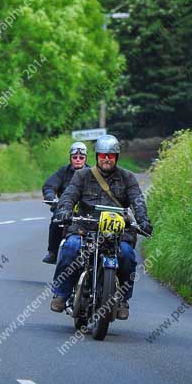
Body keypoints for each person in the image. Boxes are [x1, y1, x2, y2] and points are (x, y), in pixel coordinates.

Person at [50, 134, 153, 320]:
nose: (107, 158)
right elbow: (69, 195)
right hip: (84, 227)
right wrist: (63, 211)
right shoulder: (82, 175)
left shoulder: (127, 177)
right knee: (70, 247)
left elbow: (138, 201)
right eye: (103, 155)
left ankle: (122, 300)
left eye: (111, 155)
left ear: (116, 158)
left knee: (127, 255)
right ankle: (62, 293)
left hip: (117, 233)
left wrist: (143, 220)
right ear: (97, 156)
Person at [41, 142, 88, 264]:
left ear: (85, 158)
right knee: (56, 221)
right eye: (75, 157)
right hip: (64, 209)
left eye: (81, 157)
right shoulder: (63, 172)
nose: (78, 160)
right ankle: (53, 252)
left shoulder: (92, 173)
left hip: (86, 210)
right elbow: (49, 185)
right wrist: (50, 196)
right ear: (70, 158)